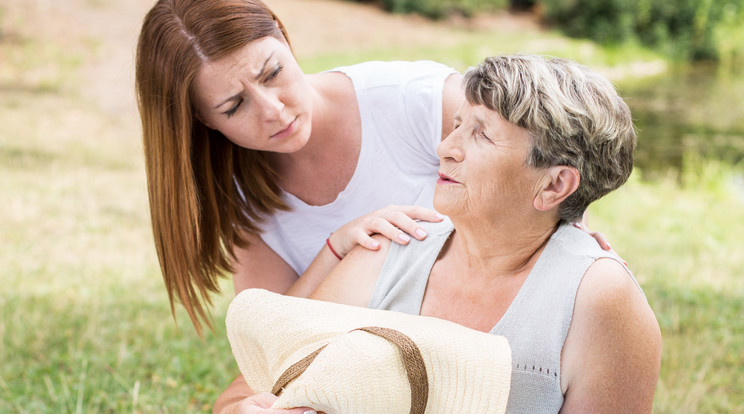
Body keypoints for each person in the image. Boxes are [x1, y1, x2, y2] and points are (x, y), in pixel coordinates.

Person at [134, 0, 614, 411]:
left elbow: (540, 164)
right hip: (370, 375)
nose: (273, 110)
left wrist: (571, 236)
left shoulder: (414, 101)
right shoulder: (238, 197)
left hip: (481, 346)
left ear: (283, 35)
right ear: (201, 121)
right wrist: (337, 248)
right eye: (235, 106)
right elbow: (272, 343)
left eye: (273, 72)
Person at [307, 55, 662, 412]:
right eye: (457, 125)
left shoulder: (598, 299)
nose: (445, 148)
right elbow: (277, 385)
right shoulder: (387, 248)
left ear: (554, 185)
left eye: (482, 135)